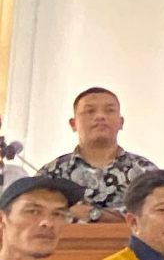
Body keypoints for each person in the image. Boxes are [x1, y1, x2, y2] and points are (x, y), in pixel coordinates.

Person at [39, 87, 156, 219]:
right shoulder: (52, 174)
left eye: (109, 110)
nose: (100, 116)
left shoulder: (145, 171)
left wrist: (94, 215)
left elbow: (157, 217)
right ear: (73, 124)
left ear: (121, 122)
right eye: (90, 111)